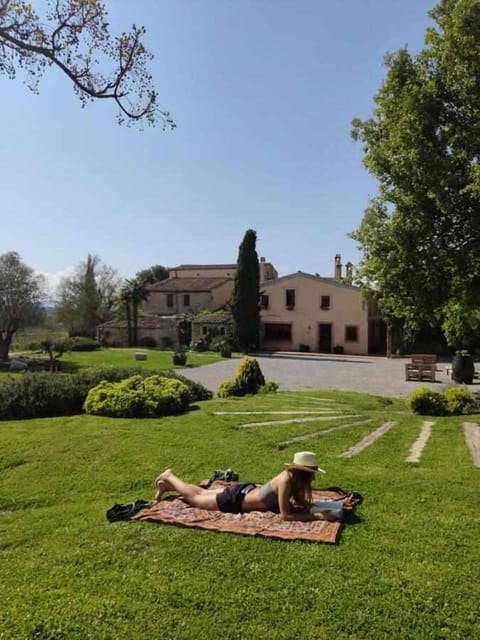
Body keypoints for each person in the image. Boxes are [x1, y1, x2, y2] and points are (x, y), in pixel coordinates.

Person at [154, 451, 338, 522]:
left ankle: (167, 486)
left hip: (246, 490)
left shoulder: (291, 478)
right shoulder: (285, 482)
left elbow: (298, 502)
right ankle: (169, 476)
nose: (313, 477)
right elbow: (286, 515)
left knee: (202, 492)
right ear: (304, 473)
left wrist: (324, 507)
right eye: (312, 473)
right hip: (236, 500)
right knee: (196, 499)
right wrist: (318, 516)